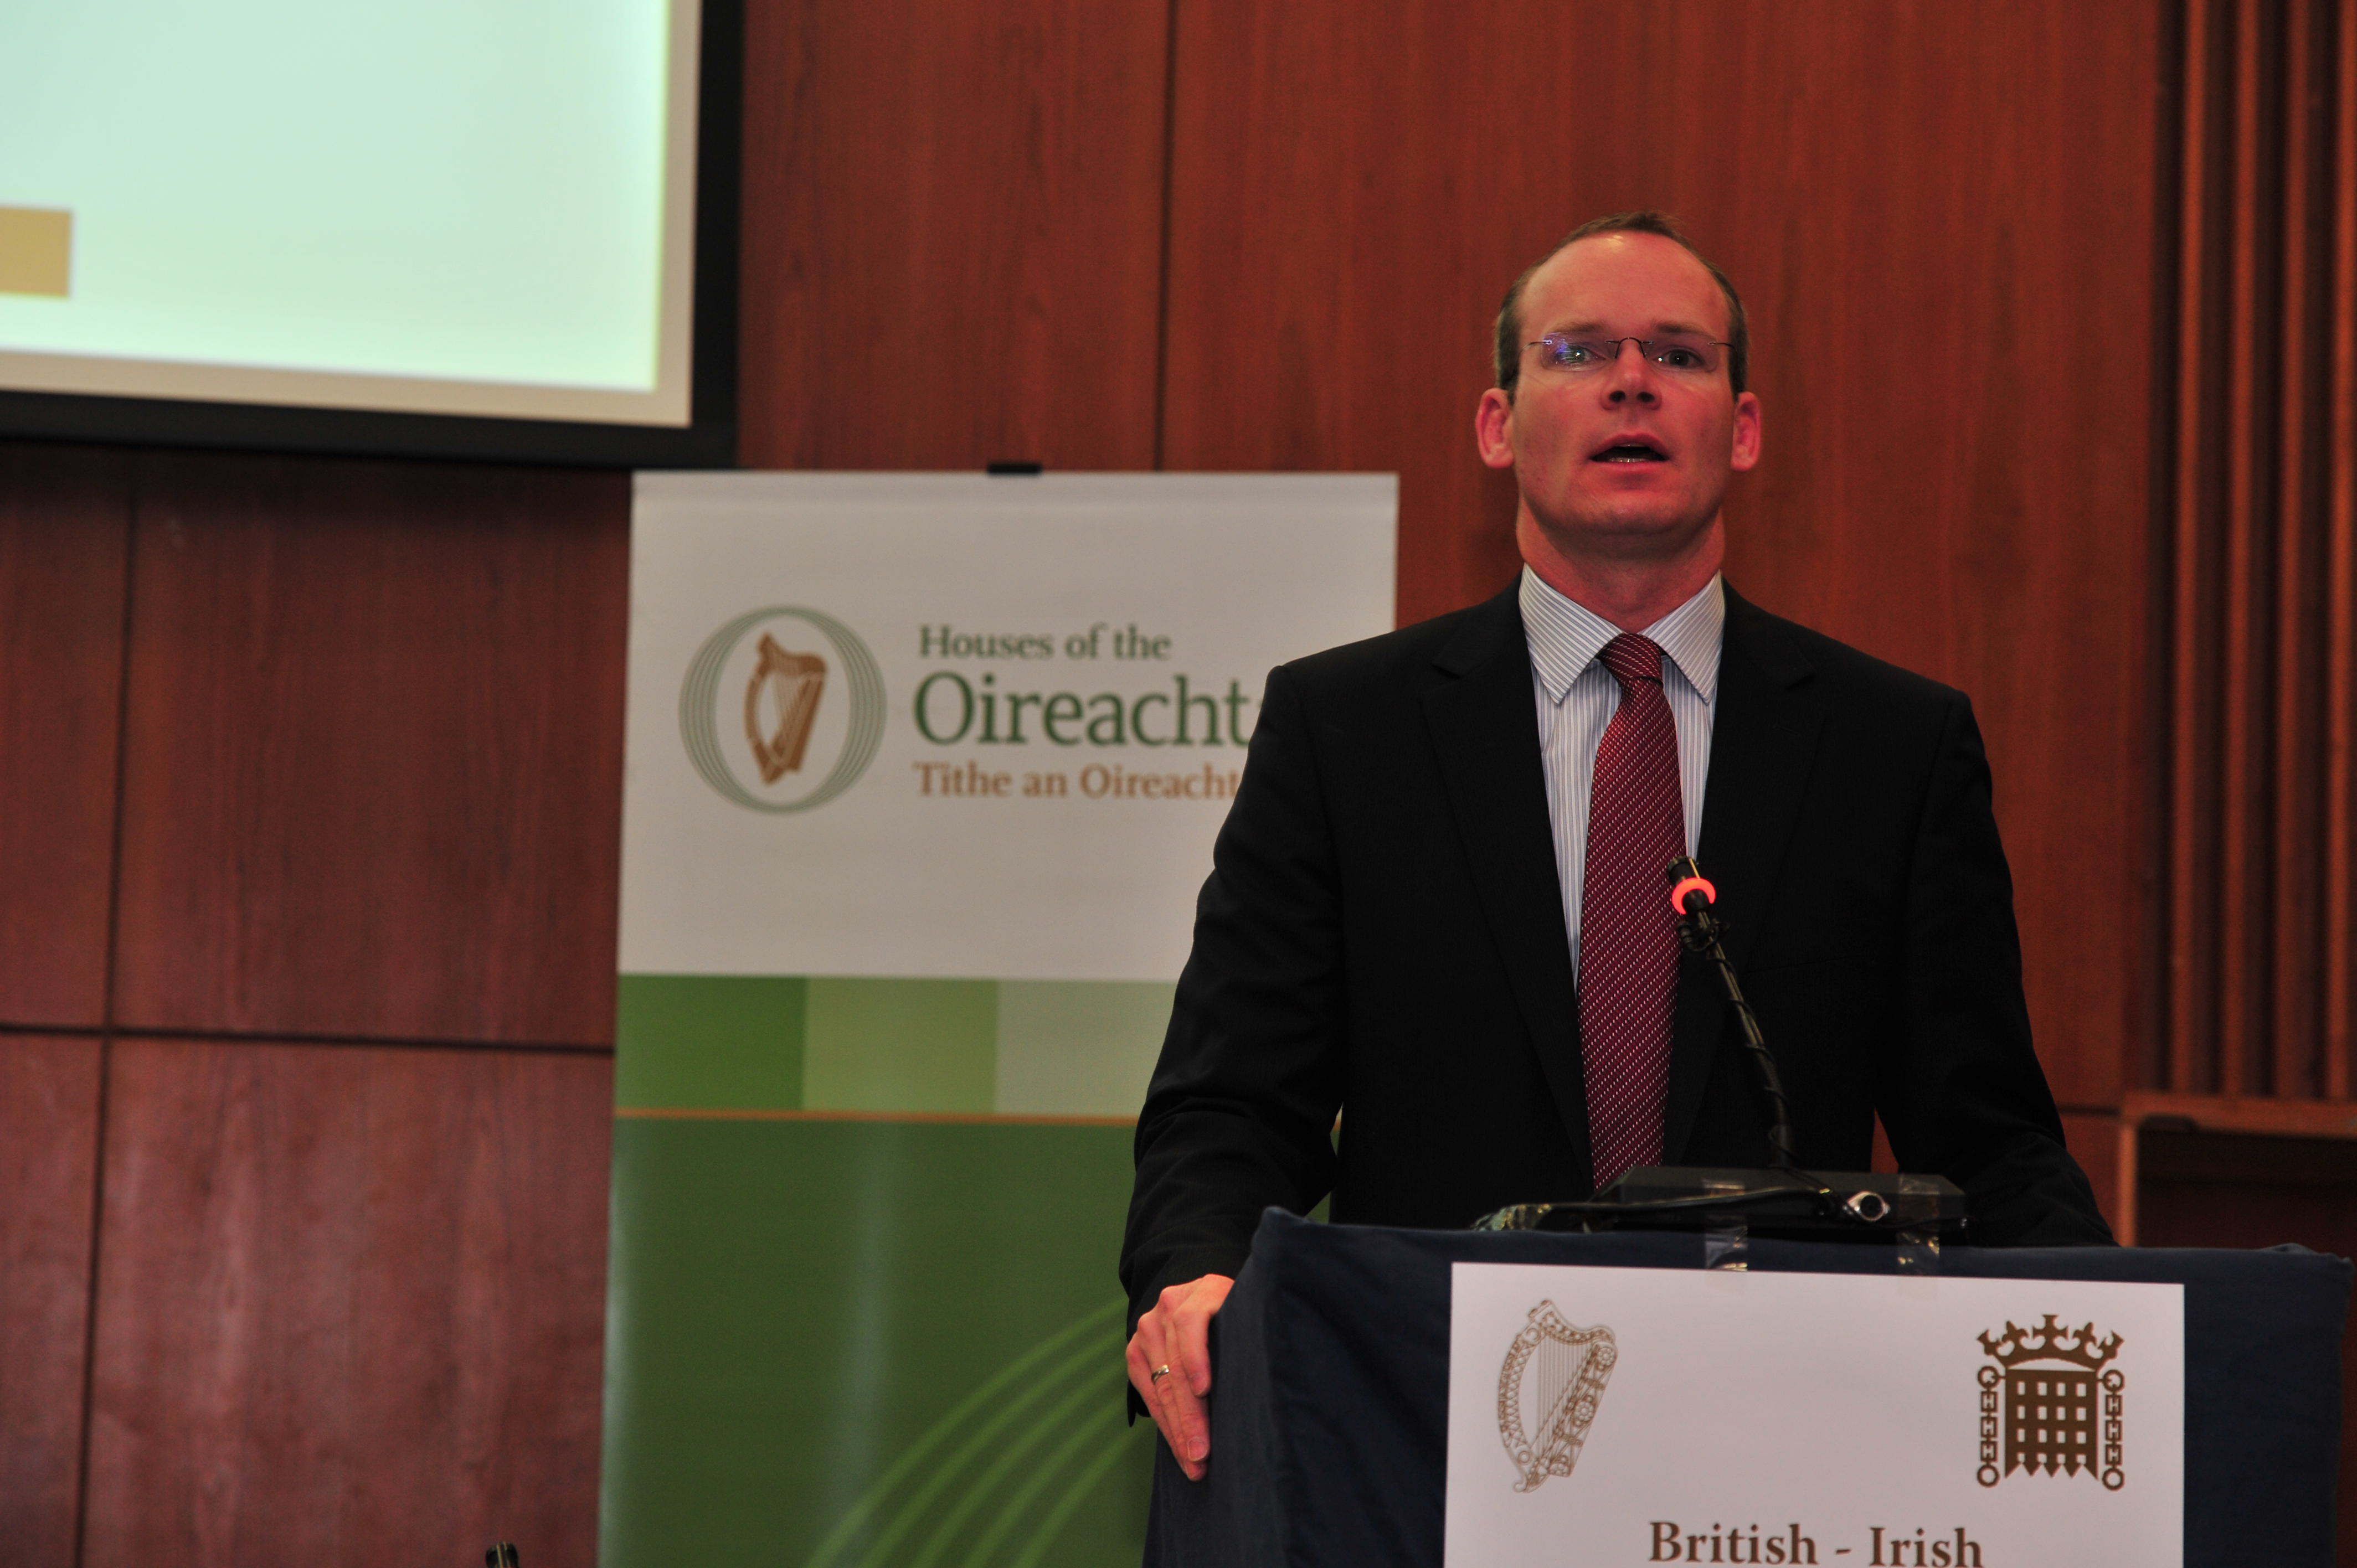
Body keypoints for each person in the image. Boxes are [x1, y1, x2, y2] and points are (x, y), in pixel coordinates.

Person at [1118, 212, 2113, 1481]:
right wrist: (1196, 1278)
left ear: (1742, 431)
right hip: (1424, 1429)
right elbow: (1233, 1102)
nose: (1633, 380)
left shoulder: (1890, 748)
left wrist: (2113, 1324)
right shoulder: (1346, 732)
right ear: (1496, 424)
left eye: (1682, 357)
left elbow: (1985, 1138)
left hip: (1783, 1455)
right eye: (1581, 350)